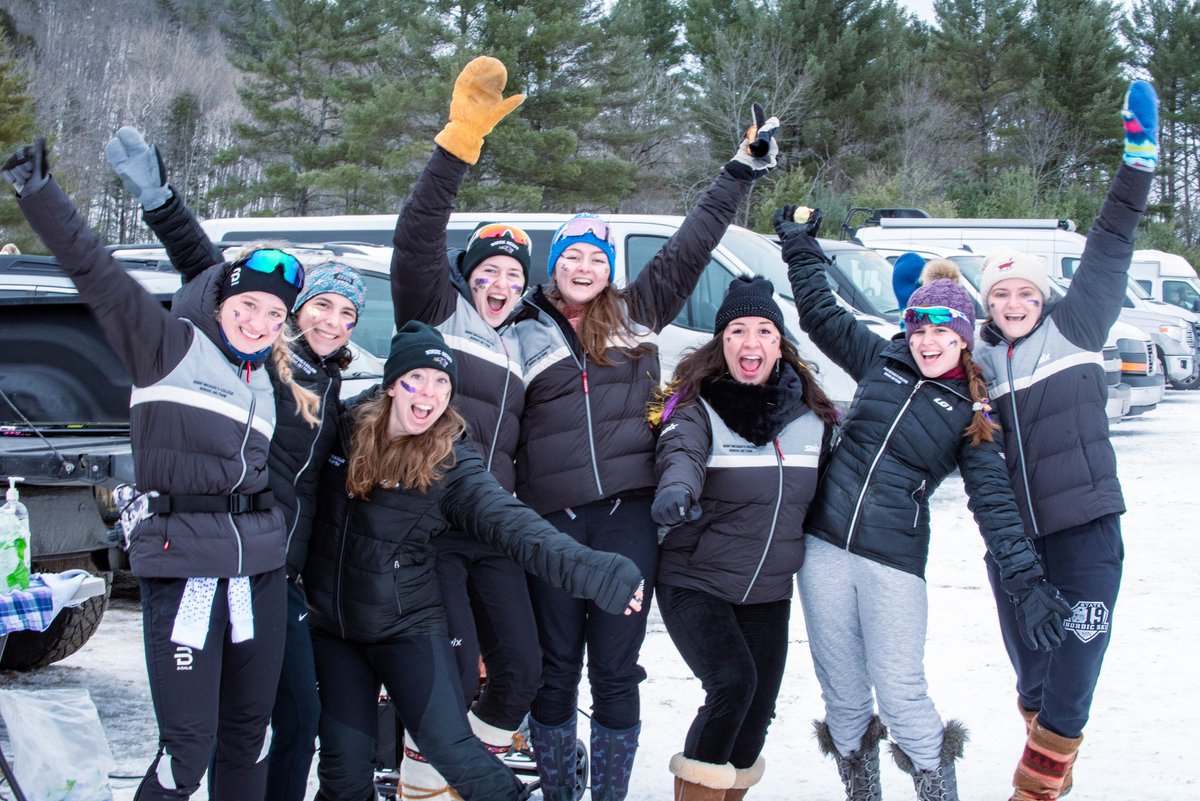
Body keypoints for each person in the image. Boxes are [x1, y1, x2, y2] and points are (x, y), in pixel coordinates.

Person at [3, 139, 312, 800]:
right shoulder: (167, 347)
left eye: (274, 314)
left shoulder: (259, 375)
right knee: (188, 750)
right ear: (221, 299)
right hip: (186, 570)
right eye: (248, 304)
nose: (259, 321)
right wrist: (41, 195)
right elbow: (96, 273)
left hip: (256, 573)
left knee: (251, 736)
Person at [509, 106, 781, 801]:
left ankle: (608, 793)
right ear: (554, 262)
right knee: (555, 663)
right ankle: (561, 790)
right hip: (548, 522)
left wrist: (738, 171)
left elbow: (691, 245)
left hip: (628, 517)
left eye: (596, 257)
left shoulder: (635, 313)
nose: (584, 266)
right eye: (572, 254)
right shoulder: (519, 328)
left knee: (617, 669)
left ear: (609, 268)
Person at [105, 125, 368, 801]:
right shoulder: (255, 363)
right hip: (232, 558)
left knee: (281, 718)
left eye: (347, 312)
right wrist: (161, 201)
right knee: (229, 727)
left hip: (280, 568)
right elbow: (204, 268)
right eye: (321, 306)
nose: (333, 320)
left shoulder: (336, 391)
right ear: (289, 314)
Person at [774, 205, 1072, 801]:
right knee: (844, 698)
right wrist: (801, 248)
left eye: (942, 330)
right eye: (919, 328)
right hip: (823, 547)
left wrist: (1027, 581)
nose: (928, 341)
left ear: (963, 336)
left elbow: (994, 503)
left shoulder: (972, 411)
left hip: (893, 560)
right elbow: (821, 314)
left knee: (902, 692)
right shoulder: (880, 360)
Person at [302, 320, 645, 801]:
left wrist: (598, 571)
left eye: (442, 382)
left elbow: (515, 526)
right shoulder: (342, 429)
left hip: (405, 628)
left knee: (453, 750)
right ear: (391, 385)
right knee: (342, 768)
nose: (428, 393)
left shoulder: (451, 461)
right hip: (334, 632)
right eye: (416, 379)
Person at [972, 80, 1157, 801]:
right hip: (1015, 551)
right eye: (999, 295)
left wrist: (1137, 160)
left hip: (1085, 537)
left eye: (1023, 291)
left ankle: (1033, 792)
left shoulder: (1078, 328)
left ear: (1043, 294)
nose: (1012, 303)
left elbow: (1111, 240)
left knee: (1069, 690)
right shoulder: (979, 364)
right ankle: (1051, 776)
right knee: (1035, 683)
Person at [388, 56, 542, 776]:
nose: (502, 281)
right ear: (467, 273)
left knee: (521, 673)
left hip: (494, 529)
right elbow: (418, 234)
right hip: (432, 526)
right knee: (444, 677)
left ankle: (464, 765)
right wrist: (457, 144)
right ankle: (429, 779)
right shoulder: (436, 311)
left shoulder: (520, 344)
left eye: (516, 274)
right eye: (490, 268)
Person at [647, 276, 840, 800]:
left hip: (768, 590)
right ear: (721, 343)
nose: (750, 342)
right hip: (697, 578)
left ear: (780, 344)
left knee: (757, 712)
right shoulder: (694, 407)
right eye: (736, 330)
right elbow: (680, 454)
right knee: (732, 685)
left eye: (763, 331)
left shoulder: (813, 418)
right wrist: (676, 491)